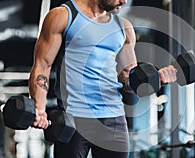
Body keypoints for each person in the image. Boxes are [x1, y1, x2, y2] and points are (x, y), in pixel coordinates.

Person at [28, 0, 177, 157]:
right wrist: (39, 108)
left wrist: (155, 79)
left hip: (113, 118)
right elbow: (43, 65)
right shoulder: (63, 16)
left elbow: (128, 80)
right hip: (74, 117)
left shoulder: (124, 28)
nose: (124, 1)